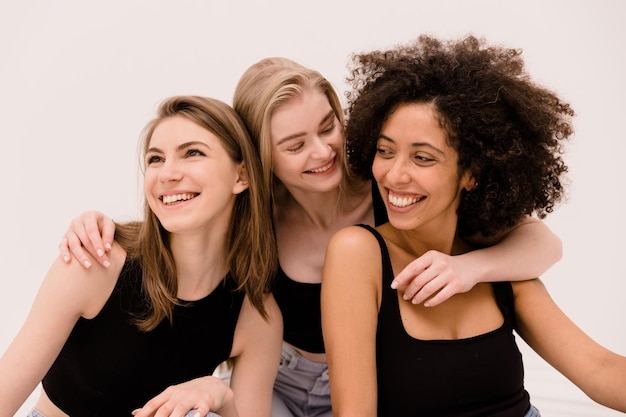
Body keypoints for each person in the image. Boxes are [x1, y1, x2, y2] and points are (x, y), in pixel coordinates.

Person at [59, 57, 563, 417]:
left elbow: (544, 243)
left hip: (372, 379)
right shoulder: (252, 218)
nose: (322, 151)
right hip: (275, 379)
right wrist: (97, 223)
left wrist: (472, 267)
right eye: (295, 144)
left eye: (329, 126)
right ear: (259, 159)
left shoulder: (390, 190)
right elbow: (177, 223)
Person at [321, 34, 626, 416]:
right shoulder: (358, 253)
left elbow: (599, 369)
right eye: (385, 151)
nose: (394, 175)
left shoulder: (497, 261)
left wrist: (472, 268)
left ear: (471, 173)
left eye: (423, 158)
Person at [0, 96, 282, 417]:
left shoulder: (256, 316)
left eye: (193, 153)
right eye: (156, 159)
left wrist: (221, 395)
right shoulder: (96, 261)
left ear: (240, 176)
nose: (167, 174)